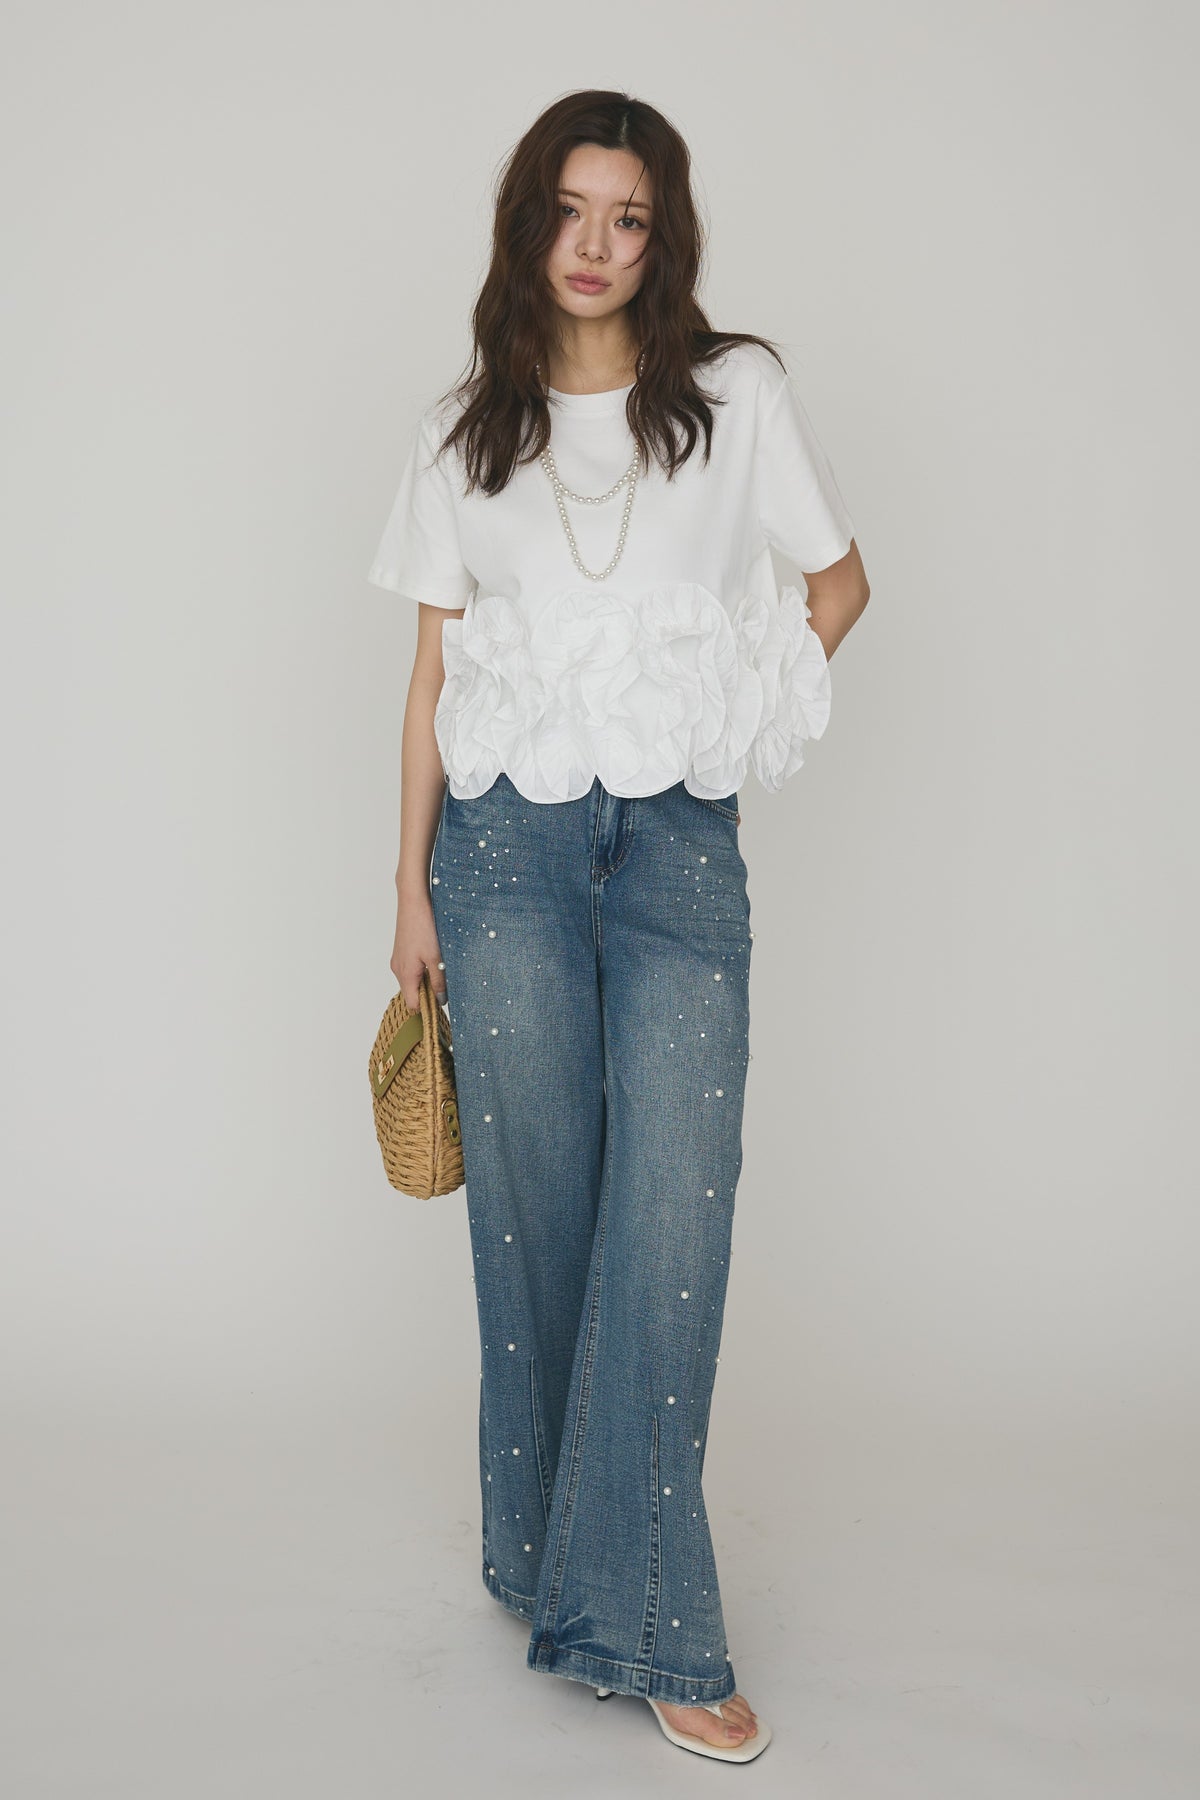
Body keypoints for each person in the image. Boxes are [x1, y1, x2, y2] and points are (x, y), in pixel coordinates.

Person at [366, 90, 870, 1765]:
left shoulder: (737, 399)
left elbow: (838, 584)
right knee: (537, 1216)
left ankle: (646, 1617)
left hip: (674, 854)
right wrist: (408, 890)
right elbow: (434, 675)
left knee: (673, 1211)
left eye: (630, 217)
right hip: (500, 854)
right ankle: (543, 1560)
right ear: (529, 225)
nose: (596, 245)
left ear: (666, 239)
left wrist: (733, 713)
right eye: (570, 211)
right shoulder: (466, 435)